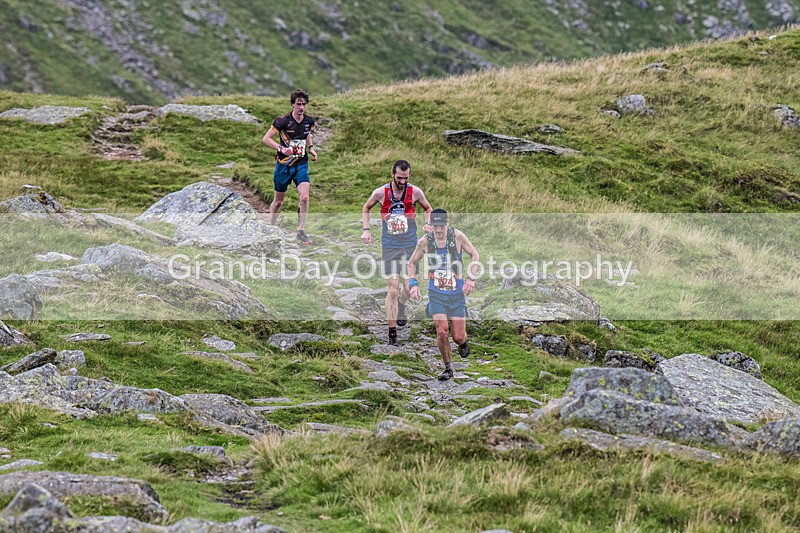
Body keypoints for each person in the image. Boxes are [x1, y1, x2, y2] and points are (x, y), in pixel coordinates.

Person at [362, 160, 432, 345]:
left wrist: (428, 223)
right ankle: (392, 332)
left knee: (408, 289)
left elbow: (428, 208)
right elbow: (366, 207)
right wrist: (366, 229)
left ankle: (401, 305)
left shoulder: (415, 192)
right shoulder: (380, 193)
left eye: (406, 178)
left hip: (410, 244)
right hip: (390, 245)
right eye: (400, 178)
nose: (402, 181)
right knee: (392, 289)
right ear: (392, 174)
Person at [408, 209, 479, 381]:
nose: (438, 230)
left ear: (448, 223)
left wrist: (470, 279)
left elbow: (475, 255)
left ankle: (463, 342)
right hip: (436, 293)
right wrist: (413, 284)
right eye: (435, 226)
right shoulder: (425, 241)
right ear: (430, 225)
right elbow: (411, 263)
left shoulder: (458, 237)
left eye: (441, 226)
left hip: (456, 293)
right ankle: (448, 368)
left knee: (458, 336)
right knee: (442, 332)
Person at [262, 88, 317, 245]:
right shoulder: (282, 122)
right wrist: (281, 148)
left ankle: (300, 231)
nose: (301, 107)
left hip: (301, 164)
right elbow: (266, 139)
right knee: (279, 201)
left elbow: (307, 134)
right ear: (293, 104)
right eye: (298, 104)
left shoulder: (309, 121)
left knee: (305, 196)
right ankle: (271, 229)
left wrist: (311, 148)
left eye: (304, 104)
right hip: (283, 165)